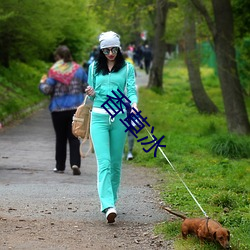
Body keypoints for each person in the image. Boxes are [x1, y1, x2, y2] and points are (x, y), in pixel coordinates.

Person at [85, 31, 138, 223]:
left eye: (114, 49)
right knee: (104, 162)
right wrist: (90, 92)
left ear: (119, 48)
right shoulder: (93, 68)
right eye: (106, 50)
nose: (110, 53)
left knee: (116, 163)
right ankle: (107, 205)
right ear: (101, 50)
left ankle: (112, 201)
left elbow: (131, 91)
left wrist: (133, 104)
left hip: (119, 118)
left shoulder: (127, 68)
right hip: (98, 118)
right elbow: (91, 97)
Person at [39, 45, 88, 175]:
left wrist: (42, 83)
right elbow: (86, 87)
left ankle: (60, 166)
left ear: (58, 57)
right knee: (74, 137)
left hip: (58, 109)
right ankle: (75, 163)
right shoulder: (79, 70)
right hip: (75, 109)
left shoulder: (54, 71)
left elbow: (47, 90)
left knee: (60, 138)